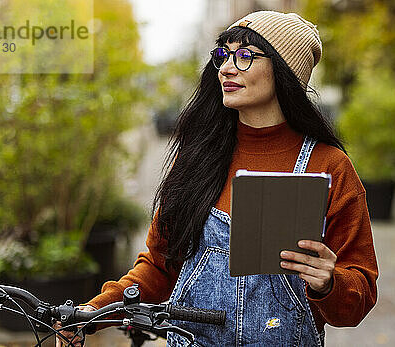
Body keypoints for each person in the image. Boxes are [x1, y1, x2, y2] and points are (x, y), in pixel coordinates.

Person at [57, 10, 378, 347]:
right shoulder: (198, 158)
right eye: (223, 54)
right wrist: (91, 314)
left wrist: (329, 283)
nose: (226, 68)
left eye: (244, 56)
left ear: (284, 71)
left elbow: (358, 298)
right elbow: (158, 267)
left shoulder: (329, 167)